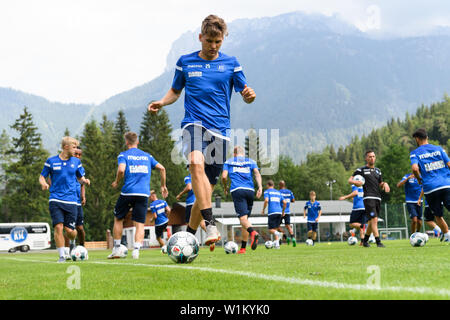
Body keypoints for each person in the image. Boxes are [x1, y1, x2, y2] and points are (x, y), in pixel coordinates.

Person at [148, 15, 256, 251]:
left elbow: (244, 92)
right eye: (209, 41)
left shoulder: (232, 63)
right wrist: (162, 102)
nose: (213, 46)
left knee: (203, 191)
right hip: (194, 124)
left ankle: (187, 236)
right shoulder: (185, 62)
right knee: (196, 164)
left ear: (223, 39)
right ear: (200, 37)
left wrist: (249, 96)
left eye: (218, 41)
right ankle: (210, 223)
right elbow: (175, 91)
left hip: (221, 131)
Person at [109, 132, 168, 260]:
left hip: (128, 192)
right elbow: (162, 168)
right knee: (140, 223)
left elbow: (121, 170)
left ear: (126, 142)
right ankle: (136, 250)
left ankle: (117, 248)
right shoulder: (147, 156)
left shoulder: (123, 155)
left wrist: (117, 181)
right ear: (138, 142)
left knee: (118, 219)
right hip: (143, 193)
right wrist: (163, 186)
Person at [39, 137, 90, 263]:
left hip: (72, 201)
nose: (76, 149)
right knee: (58, 227)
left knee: (70, 231)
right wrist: (44, 183)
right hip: (55, 199)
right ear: (66, 147)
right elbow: (41, 176)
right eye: (74, 147)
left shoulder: (76, 162)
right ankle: (62, 256)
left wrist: (85, 181)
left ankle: (72, 241)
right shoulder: (51, 161)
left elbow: (80, 177)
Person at [410, 128, 450, 242]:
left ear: (417, 139)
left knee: (437, 215)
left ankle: (447, 235)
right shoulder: (439, 149)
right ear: (427, 137)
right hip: (446, 184)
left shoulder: (415, 153)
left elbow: (414, 168)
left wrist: (419, 179)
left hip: (430, 188)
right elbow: (449, 164)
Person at [222, 146, 263, 254]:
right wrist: (260, 187)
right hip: (250, 191)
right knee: (245, 220)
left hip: (237, 190)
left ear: (234, 154)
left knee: (243, 220)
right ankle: (243, 248)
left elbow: (224, 177)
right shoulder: (251, 161)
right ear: (243, 154)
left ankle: (253, 232)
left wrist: (225, 187)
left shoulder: (229, 161)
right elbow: (257, 174)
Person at [349, 150, 390, 248]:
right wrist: (356, 182)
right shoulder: (361, 170)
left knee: (372, 222)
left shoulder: (378, 171)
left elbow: (380, 183)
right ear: (366, 158)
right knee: (374, 219)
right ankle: (378, 241)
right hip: (368, 197)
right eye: (370, 156)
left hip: (377, 198)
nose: (372, 158)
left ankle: (365, 241)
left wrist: (385, 184)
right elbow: (350, 180)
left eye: (373, 156)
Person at [63, 146, 87, 255]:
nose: (77, 156)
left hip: (77, 202)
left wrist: (83, 196)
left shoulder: (80, 167)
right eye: (76, 154)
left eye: (79, 154)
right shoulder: (67, 166)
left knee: (80, 228)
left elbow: (82, 183)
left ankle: (82, 248)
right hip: (68, 200)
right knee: (69, 227)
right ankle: (70, 248)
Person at [262, 180, 286, 249]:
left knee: (270, 230)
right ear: (273, 185)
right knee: (275, 229)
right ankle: (277, 245)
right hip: (279, 212)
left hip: (272, 212)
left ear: (267, 185)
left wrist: (263, 209)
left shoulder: (267, 191)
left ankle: (279, 234)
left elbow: (266, 200)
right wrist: (283, 211)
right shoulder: (278, 192)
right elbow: (284, 202)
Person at [278, 180, 296, 247]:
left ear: (279, 185)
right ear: (284, 185)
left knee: (276, 226)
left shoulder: (278, 192)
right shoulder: (289, 192)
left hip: (280, 211)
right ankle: (293, 238)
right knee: (288, 226)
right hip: (288, 211)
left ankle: (285, 236)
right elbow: (293, 200)